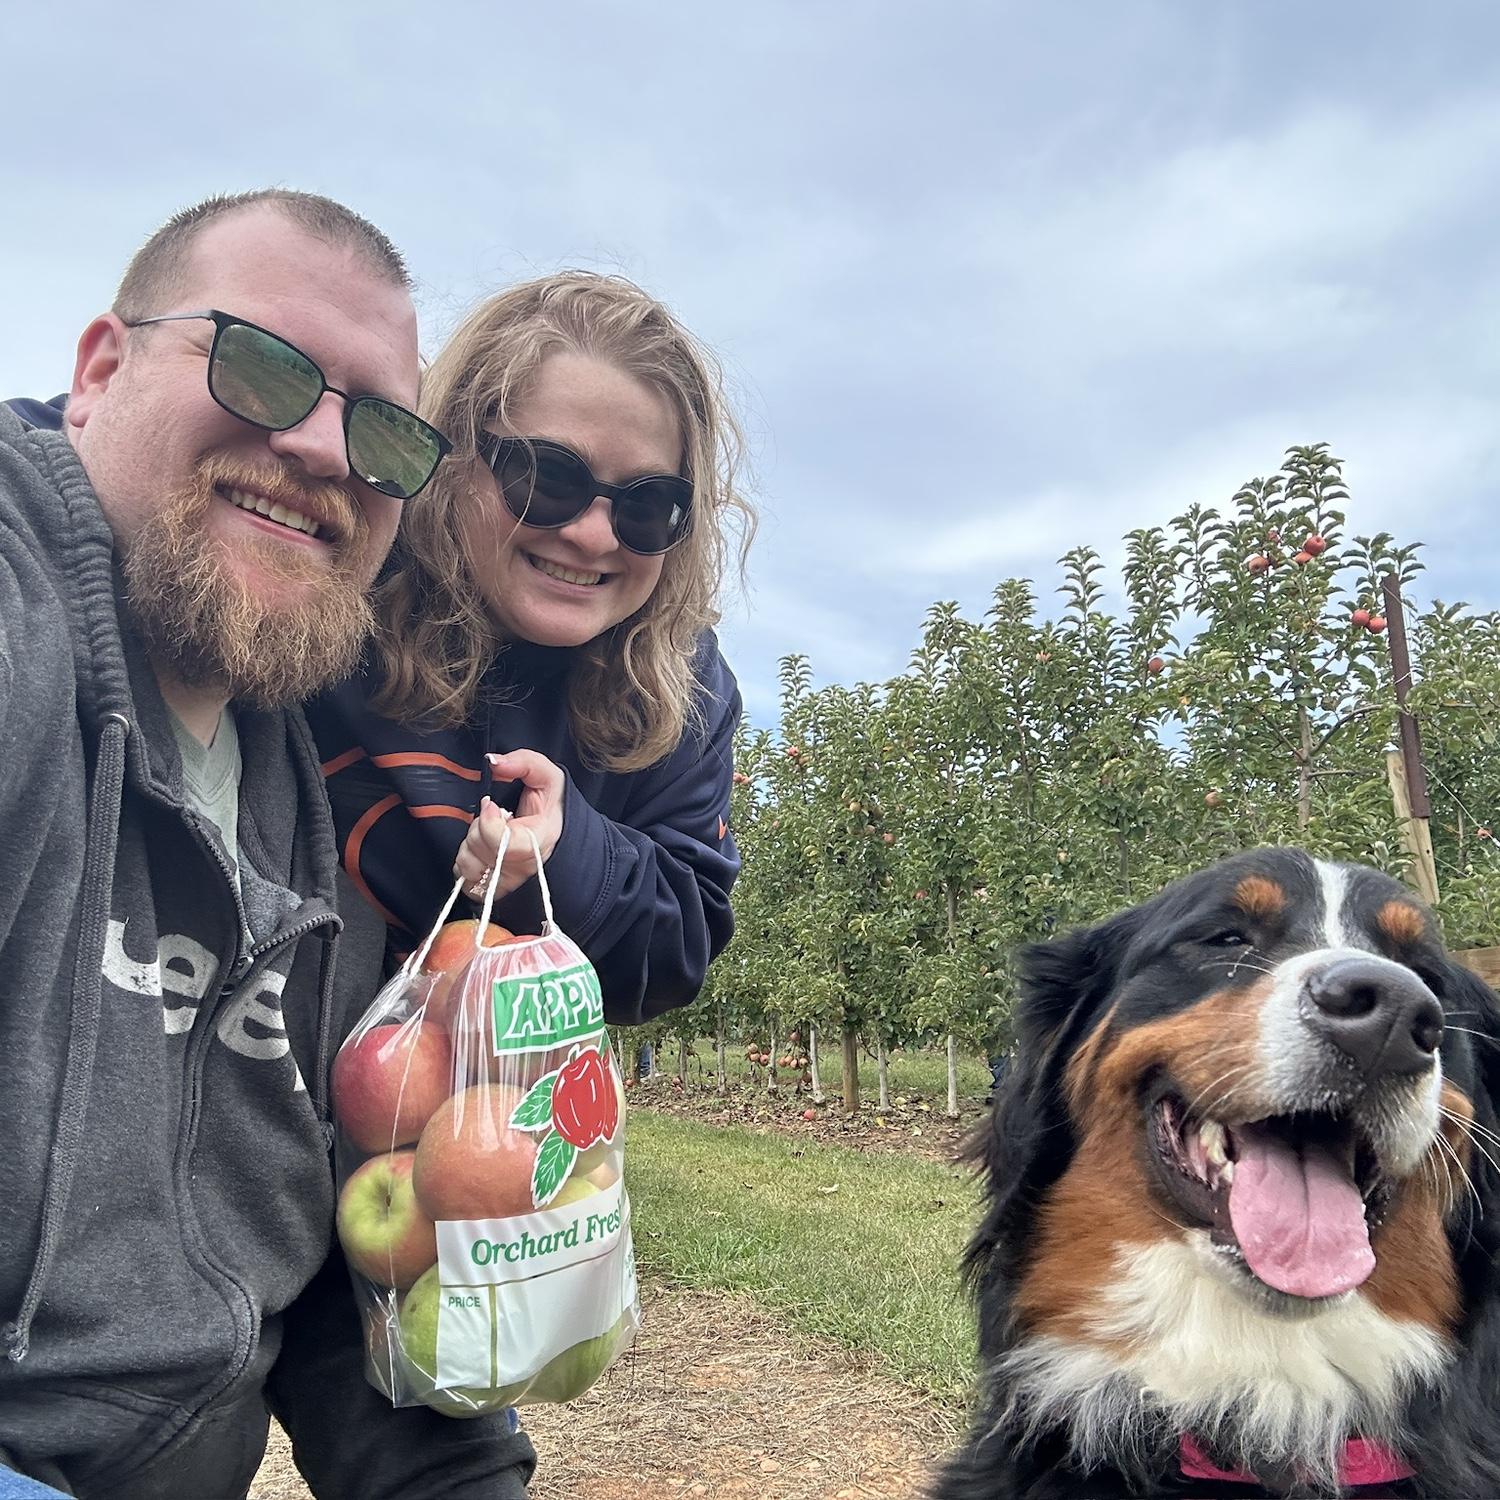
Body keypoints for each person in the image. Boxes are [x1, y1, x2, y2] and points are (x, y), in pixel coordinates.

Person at [0, 191, 534, 1500]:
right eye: (259, 366)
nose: (319, 448)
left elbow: (349, 1301)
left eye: (383, 429)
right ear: (99, 371)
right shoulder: (24, 617)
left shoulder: (324, 828)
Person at [306, 272, 754, 1025]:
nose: (593, 535)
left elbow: (677, 955)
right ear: (454, 458)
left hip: (501, 1098)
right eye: (548, 477)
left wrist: (564, 853)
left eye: (648, 505)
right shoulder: (344, 578)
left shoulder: (685, 685)